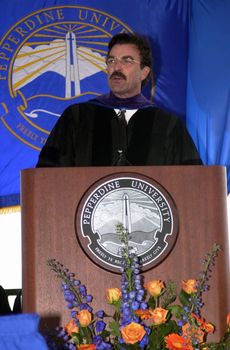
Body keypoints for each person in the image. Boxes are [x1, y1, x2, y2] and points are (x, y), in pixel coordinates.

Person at [36, 33, 202, 167]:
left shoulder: (168, 125)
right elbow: (48, 174)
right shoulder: (76, 117)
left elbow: (189, 182)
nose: (117, 67)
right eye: (111, 60)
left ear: (144, 72)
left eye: (127, 61)